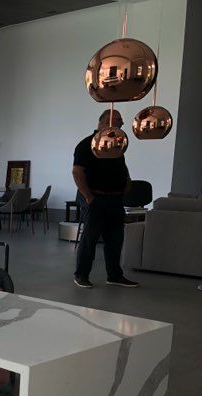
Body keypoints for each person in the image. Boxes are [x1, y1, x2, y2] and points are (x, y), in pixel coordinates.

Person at [72, 109, 139, 289]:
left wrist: (127, 183)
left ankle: (114, 276)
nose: (121, 124)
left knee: (115, 239)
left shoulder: (116, 145)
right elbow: (77, 172)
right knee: (90, 238)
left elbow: (122, 169)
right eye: (118, 120)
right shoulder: (86, 145)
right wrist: (88, 197)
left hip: (115, 199)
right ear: (104, 122)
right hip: (95, 198)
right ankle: (81, 275)